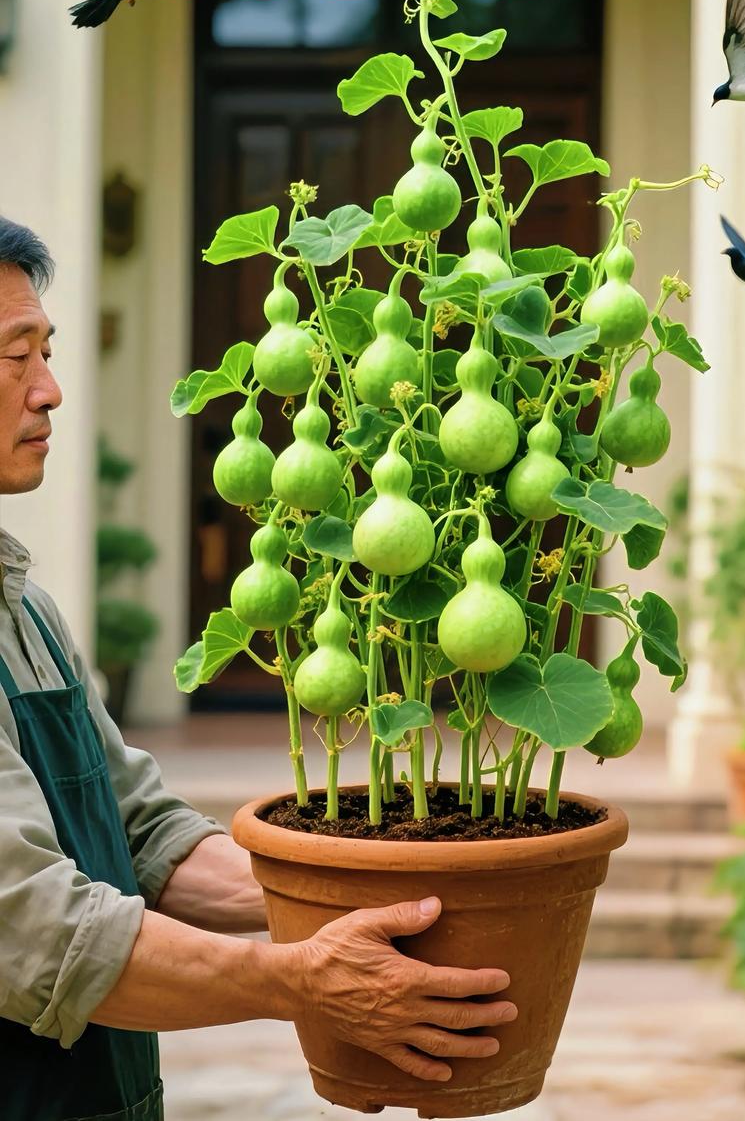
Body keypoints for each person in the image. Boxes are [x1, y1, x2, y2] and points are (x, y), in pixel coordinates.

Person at [0, 215, 517, 1120]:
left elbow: (140, 832)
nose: (50, 391)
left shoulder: (24, 607)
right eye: (16, 358)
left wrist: (367, 900)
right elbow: (31, 927)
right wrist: (298, 981)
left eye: (50, 351)